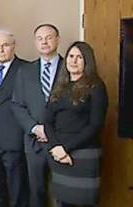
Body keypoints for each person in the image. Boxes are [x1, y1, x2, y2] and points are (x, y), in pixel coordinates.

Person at [45, 41, 107, 207]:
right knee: (63, 202)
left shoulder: (96, 87)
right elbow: (47, 121)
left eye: (79, 57)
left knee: (84, 203)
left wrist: (66, 148)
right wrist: (56, 147)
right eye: (71, 56)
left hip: (83, 155)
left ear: (87, 61)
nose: (73, 61)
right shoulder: (60, 86)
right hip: (58, 155)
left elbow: (95, 125)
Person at [11, 23, 64, 207]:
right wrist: (35, 128)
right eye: (40, 38)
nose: (44, 42)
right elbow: (17, 105)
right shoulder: (25, 71)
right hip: (34, 142)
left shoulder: (70, 68)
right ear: (35, 42)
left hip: (63, 141)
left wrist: (52, 131)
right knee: (37, 192)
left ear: (57, 39)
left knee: (62, 192)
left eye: (49, 37)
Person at [0, 29, 29, 207]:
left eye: (5, 45)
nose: (0, 49)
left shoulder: (26, 69)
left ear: (13, 46)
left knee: (18, 191)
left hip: (14, 140)